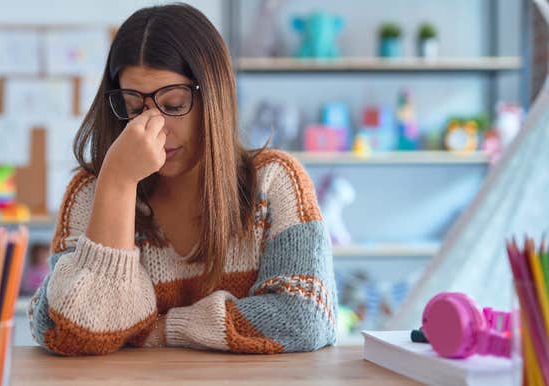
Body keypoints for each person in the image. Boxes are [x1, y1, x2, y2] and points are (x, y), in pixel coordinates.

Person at [28, 3, 336, 356]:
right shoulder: (93, 191)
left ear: (215, 97)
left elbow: (305, 317)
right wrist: (117, 184)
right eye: (134, 108)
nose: (151, 127)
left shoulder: (275, 180)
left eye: (173, 105)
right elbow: (66, 331)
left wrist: (159, 329)